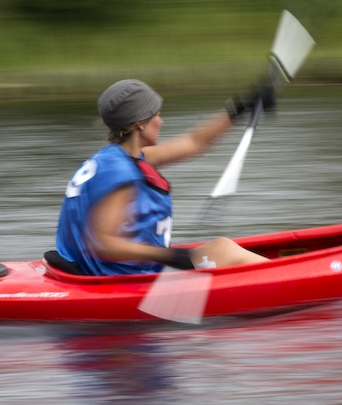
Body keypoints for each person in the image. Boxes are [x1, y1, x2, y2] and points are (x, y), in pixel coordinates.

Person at [51, 78, 273, 276]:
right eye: (156, 115)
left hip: (102, 267)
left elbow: (194, 142)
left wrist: (241, 106)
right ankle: (291, 280)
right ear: (140, 123)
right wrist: (170, 257)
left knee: (222, 248)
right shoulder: (122, 174)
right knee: (224, 249)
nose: (161, 121)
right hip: (120, 274)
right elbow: (103, 242)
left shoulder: (117, 158)